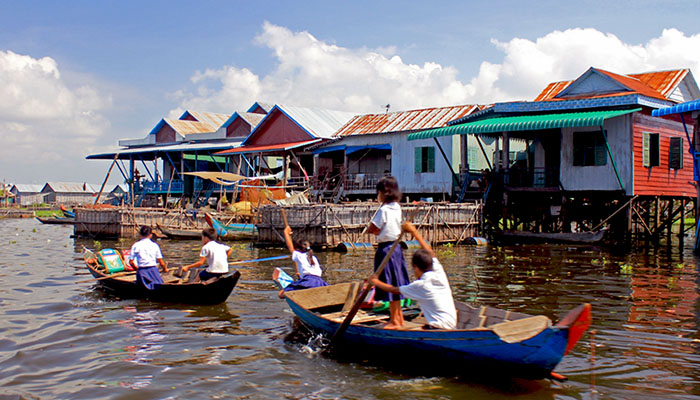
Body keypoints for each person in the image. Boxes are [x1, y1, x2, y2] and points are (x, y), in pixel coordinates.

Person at [369, 222, 457, 330]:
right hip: (452, 325)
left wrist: (376, 282)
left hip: (438, 328)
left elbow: (394, 290)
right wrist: (414, 232)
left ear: (416, 267)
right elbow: (430, 252)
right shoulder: (439, 273)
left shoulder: (421, 285)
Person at [367, 175, 410, 329]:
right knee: (395, 282)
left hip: (386, 249)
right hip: (396, 249)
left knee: (389, 282)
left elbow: (374, 228)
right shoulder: (397, 207)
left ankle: (394, 320)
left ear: (384, 193)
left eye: (378, 193)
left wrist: (369, 230)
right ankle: (398, 318)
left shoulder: (384, 210)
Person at [278, 225, 328, 298]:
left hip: (308, 281)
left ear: (298, 249)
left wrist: (286, 233)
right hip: (320, 282)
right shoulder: (313, 257)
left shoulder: (300, 255)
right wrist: (300, 276)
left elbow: (290, 247)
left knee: (281, 295)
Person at [128, 226, 169, 290]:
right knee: (159, 286)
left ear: (140, 235)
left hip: (142, 271)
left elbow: (131, 262)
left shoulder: (136, 245)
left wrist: (137, 270)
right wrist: (165, 269)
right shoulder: (155, 245)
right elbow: (161, 262)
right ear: (150, 235)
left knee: (142, 287)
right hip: (153, 270)